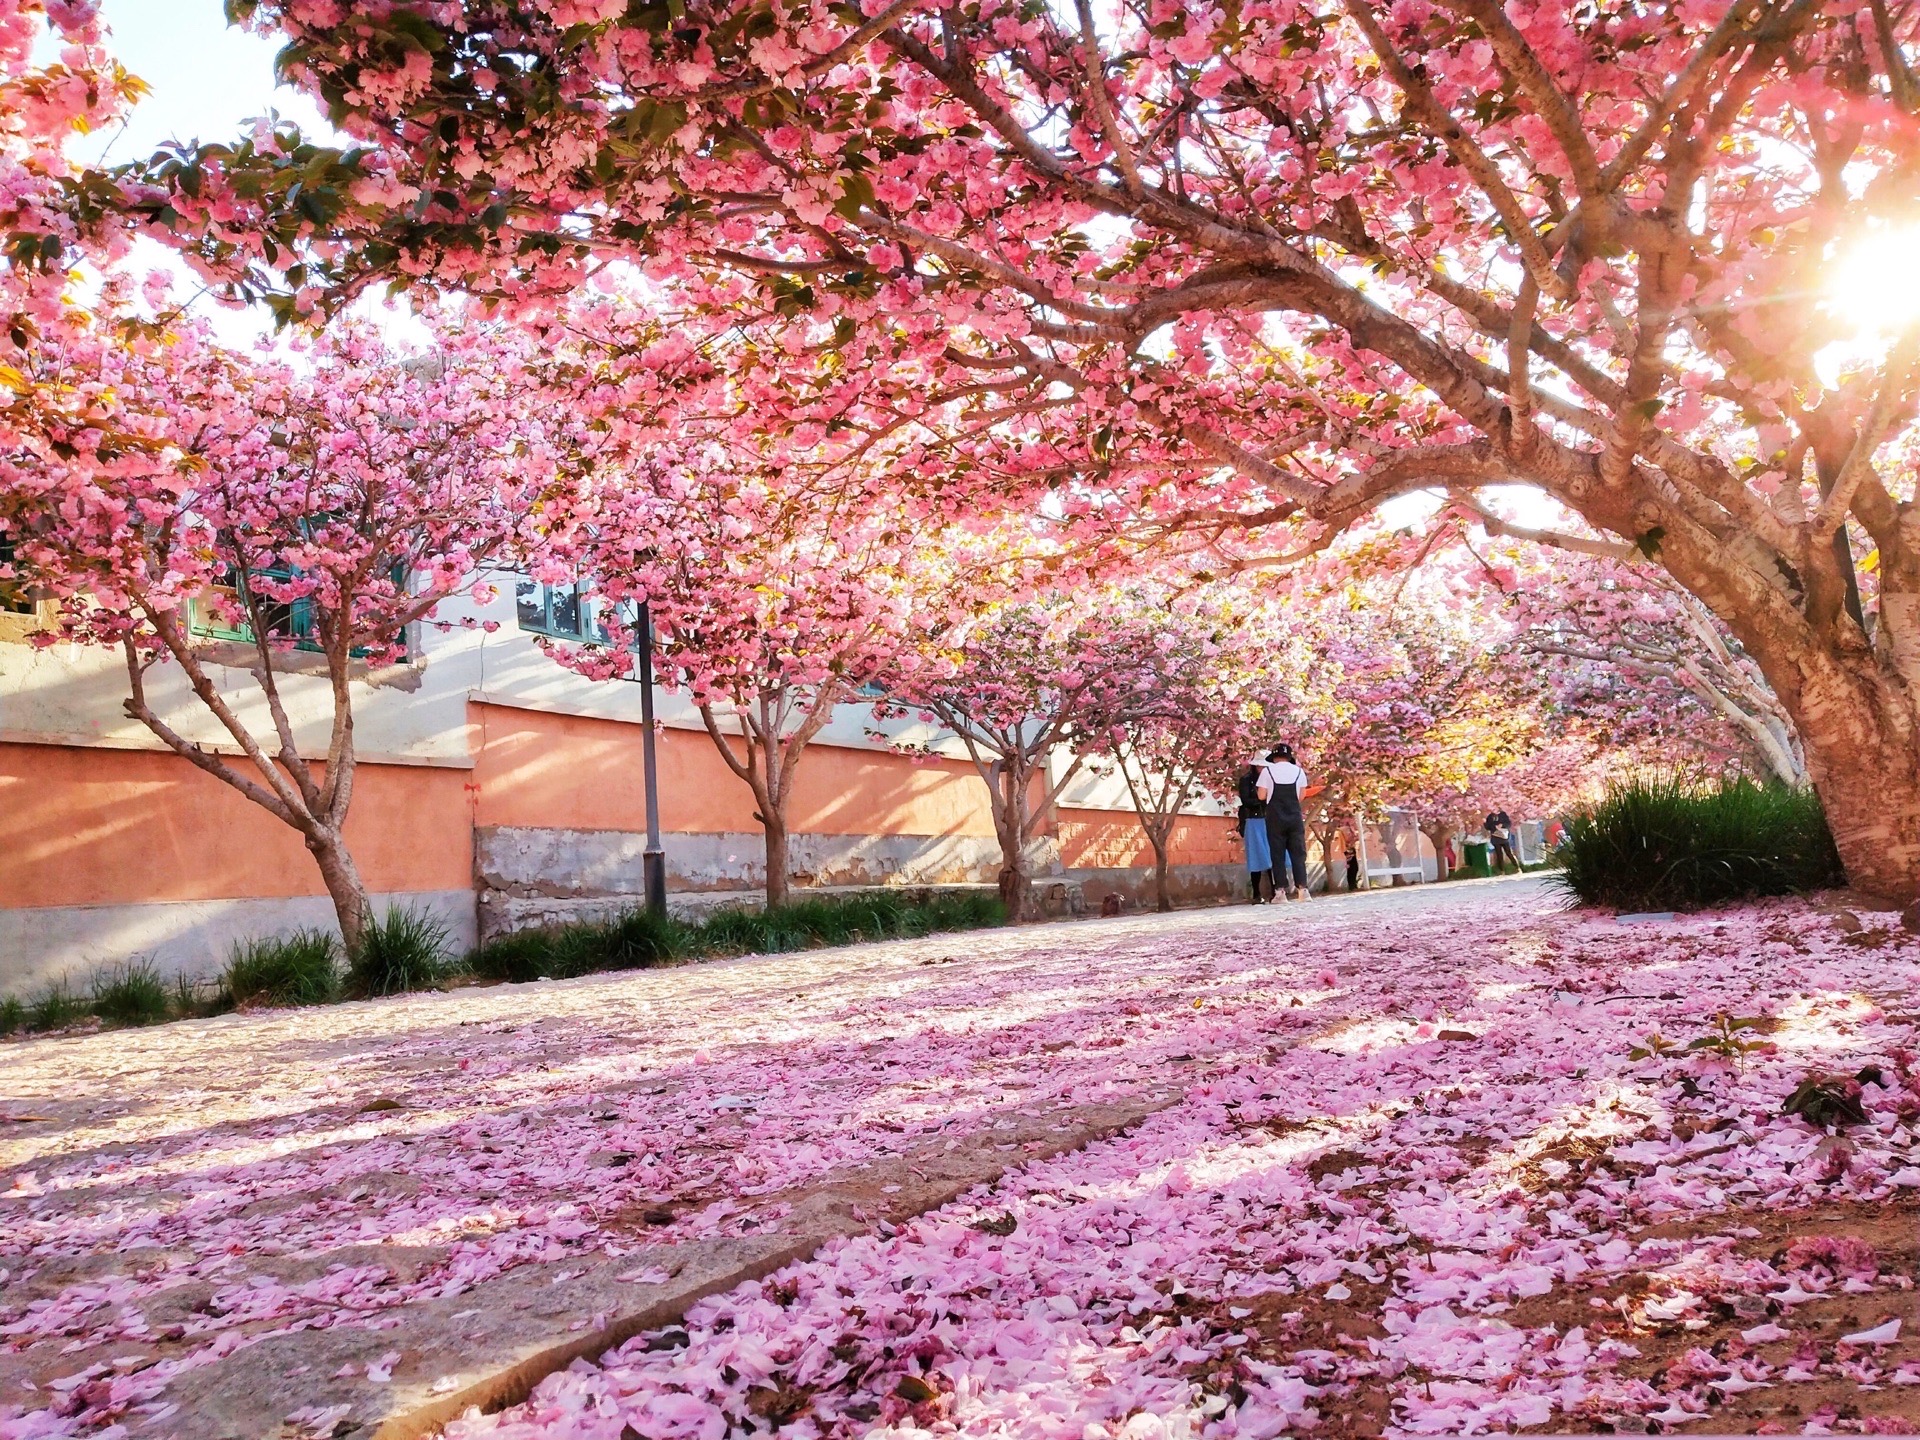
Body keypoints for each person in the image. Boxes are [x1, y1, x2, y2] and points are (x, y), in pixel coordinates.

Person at [1259, 743, 1312, 901]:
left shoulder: (1267, 771)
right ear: (1290, 757)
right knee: (1298, 853)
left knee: (1277, 853)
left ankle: (1280, 892)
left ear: (1274, 757)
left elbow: (1261, 795)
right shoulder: (1299, 772)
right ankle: (1303, 889)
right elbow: (1301, 796)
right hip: (1294, 816)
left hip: (1275, 817)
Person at [1236, 754, 1274, 903]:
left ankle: (1275, 890)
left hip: (1269, 819)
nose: (1262, 768)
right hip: (1253, 819)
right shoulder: (1246, 780)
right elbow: (1246, 800)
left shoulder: (1271, 779)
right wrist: (1263, 801)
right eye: (1260, 765)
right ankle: (1257, 893)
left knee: (1273, 855)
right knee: (1256, 857)